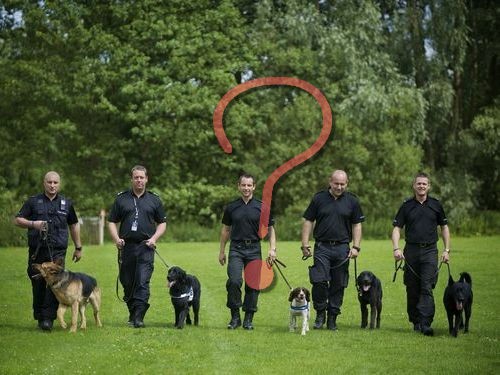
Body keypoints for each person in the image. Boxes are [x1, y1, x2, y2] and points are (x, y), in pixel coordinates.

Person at [14, 171, 82, 331]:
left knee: (55, 284)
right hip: (37, 251)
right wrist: (33, 224)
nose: (52, 185)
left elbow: (74, 225)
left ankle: (48, 319)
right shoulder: (33, 202)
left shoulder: (66, 203)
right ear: (44, 183)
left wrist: (78, 247)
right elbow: (18, 220)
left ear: (59, 184)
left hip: (57, 252)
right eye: (49, 182)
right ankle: (39, 316)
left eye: (55, 183)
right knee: (37, 283)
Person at [301, 170, 364, 330]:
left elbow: (357, 224)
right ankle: (321, 313)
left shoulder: (352, 201)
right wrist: (305, 243)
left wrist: (356, 247)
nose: (339, 187)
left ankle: (332, 318)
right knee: (319, 281)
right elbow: (308, 220)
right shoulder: (318, 198)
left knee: (338, 284)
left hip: (343, 248)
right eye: (336, 183)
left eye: (342, 184)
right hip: (322, 246)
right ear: (330, 182)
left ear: (347, 183)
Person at [392, 172, 450, 336]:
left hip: (430, 251)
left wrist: (446, 250)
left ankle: (425, 323)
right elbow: (397, 228)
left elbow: (444, 228)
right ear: (414, 186)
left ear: (429, 186)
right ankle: (416, 321)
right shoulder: (406, 206)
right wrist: (396, 248)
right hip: (411, 251)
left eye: (424, 184)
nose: (421, 186)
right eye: (419, 184)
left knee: (426, 287)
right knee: (412, 288)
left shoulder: (436, 205)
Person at [108, 165, 167, 328]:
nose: (139, 180)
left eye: (142, 177)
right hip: (126, 247)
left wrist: (154, 238)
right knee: (127, 281)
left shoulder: (154, 200)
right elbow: (112, 221)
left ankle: (139, 317)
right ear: (131, 179)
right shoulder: (121, 199)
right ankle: (133, 312)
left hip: (146, 247)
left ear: (146, 179)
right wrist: (116, 239)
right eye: (136, 177)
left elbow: (162, 223)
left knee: (142, 281)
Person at [219, 173, 277, 330]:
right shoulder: (231, 207)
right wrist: (222, 251)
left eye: (249, 185)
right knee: (234, 281)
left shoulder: (262, 207)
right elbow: (226, 230)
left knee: (253, 285)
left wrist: (272, 249)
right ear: (238, 186)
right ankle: (235, 317)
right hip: (236, 249)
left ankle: (248, 319)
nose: (246, 188)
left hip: (254, 249)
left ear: (254, 187)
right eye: (243, 185)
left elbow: (271, 230)